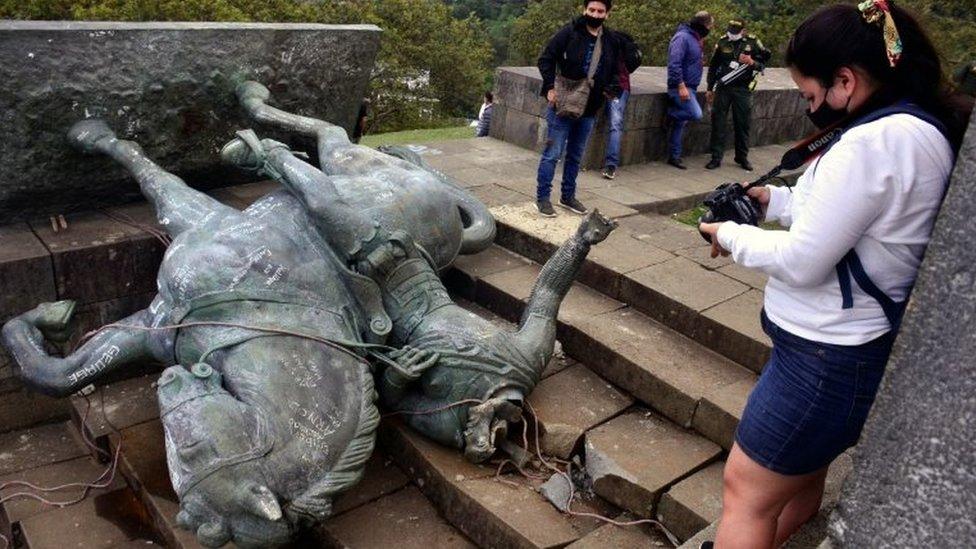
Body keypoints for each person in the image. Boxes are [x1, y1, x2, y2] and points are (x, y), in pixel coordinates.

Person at [697, 2, 969, 547]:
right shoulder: (912, 127)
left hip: (823, 361)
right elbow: (850, 216)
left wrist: (725, 234)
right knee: (798, 482)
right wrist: (770, 199)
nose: (808, 105)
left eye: (809, 93)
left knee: (745, 493)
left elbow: (803, 259)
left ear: (845, 80)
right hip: (850, 350)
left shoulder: (869, 143)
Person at [535, 0, 620, 217]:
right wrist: (549, 88)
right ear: (584, 10)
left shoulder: (610, 40)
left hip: (590, 106)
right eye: (591, 10)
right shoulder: (569, 32)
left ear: (607, 14)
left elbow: (615, 69)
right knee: (552, 154)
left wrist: (610, 88)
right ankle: (543, 198)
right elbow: (546, 59)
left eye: (600, 11)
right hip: (564, 100)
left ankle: (567, 195)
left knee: (575, 155)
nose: (595, 14)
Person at [705, 19, 770, 171]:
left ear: (743, 30)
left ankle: (742, 157)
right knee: (718, 122)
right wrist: (709, 88)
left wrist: (752, 62)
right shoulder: (722, 42)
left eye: (736, 31)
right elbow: (713, 67)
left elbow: (763, 64)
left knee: (742, 123)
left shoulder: (753, 43)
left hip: (742, 89)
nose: (732, 34)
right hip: (723, 89)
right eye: (731, 31)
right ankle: (716, 157)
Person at [665, 11, 713, 170]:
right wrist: (680, 85)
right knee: (695, 114)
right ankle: (669, 114)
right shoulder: (682, 38)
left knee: (680, 124)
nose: (711, 28)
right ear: (702, 25)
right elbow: (674, 63)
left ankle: (674, 156)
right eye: (709, 25)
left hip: (690, 86)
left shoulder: (696, 39)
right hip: (681, 87)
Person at [601, 30, 642, 180]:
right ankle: (610, 165)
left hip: (611, 87)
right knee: (615, 125)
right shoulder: (625, 44)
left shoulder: (608, 44)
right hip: (622, 88)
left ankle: (611, 164)